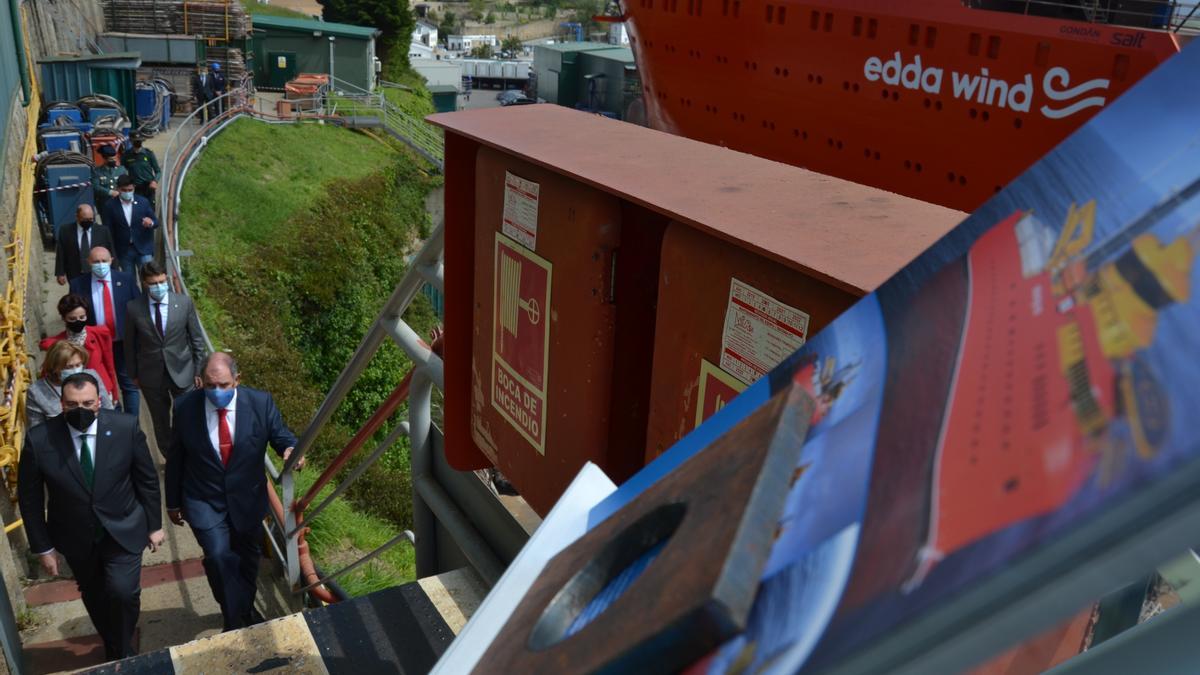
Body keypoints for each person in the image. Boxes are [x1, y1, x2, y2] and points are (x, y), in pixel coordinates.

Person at [18, 372, 164, 661]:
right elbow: (30, 499)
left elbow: (146, 479)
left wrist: (154, 525)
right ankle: (116, 645)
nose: (80, 410)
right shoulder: (39, 440)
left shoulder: (125, 427)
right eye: (73, 404)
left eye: (87, 403)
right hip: (75, 536)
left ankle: (121, 650)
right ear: (61, 404)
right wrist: (43, 547)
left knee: (123, 592)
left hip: (123, 527)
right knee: (95, 595)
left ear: (99, 402)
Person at [166, 353, 301, 631]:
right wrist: (172, 502)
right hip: (203, 498)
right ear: (200, 381)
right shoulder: (184, 408)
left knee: (247, 559)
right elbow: (176, 457)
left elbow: (281, 435)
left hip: (247, 499)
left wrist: (290, 450)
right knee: (218, 557)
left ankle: (243, 610)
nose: (217, 392)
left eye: (224, 385)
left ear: (237, 380)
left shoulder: (260, 403)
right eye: (210, 385)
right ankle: (234, 619)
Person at [125, 261, 208, 456]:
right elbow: (129, 345)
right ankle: (169, 457)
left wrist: (199, 370)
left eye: (162, 281)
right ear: (145, 284)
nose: (159, 286)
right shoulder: (133, 308)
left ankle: (190, 453)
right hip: (151, 376)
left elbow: (197, 339)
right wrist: (133, 374)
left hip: (184, 370)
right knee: (160, 420)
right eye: (153, 283)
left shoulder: (184, 303)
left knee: (188, 415)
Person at [69, 247, 141, 414]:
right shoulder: (78, 284)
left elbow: (138, 308)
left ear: (111, 260)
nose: (100, 265)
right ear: (88, 262)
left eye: (104, 261)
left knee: (129, 385)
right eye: (95, 261)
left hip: (123, 342)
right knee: (102, 385)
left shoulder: (125, 279)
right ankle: (113, 419)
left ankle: (131, 426)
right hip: (96, 345)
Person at [39, 293, 119, 403]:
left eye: (82, 317)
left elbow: (110, 365)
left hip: (102, 391)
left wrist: (115, 394)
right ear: (64, 318)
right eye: (72, 318)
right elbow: (48, 372)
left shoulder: (100, 334)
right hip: (72, 396)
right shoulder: (57, 343)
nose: (78, 321)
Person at [27, 341, 115, 428]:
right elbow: (37, 429)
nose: (75, 370)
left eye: (78, 365)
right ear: (54, 367)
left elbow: (108, 410)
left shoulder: (92, 376)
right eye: (69, 367)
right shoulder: (37, 392)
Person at [101, 174, 157, 273]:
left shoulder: (143, 202)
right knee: (129, 282)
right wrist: (111, 252)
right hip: (124, 251)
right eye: (124, 190)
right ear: (118, 189)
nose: (127, 192)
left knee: (149, 279)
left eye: (130, 190)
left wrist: (151, 223)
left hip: (143, 248)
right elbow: (108, 230)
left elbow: (156, 222)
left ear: (134, 188)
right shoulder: (110, 206)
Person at [55, 205, 115, 285]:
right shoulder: (65, 231)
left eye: (91, 219)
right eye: (85, 219)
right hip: (75, 273)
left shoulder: (103, 231)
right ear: (77, 217)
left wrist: (115, 270)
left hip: (98, 272)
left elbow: (111, 251)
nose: (88, 221)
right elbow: (61, 252)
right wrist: (60, 273)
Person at [123, 134, 160, 207]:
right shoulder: (127, 155)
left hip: (148, 187)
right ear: (131, 141)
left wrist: (155, 181)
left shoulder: (148, 154)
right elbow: (122, 170)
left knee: (150, 209)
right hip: (136, 189)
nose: (137, 143)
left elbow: (158, 171)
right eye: (135, 141)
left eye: (139, 141)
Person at [92, 146, 127, 215]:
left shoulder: (121, 170)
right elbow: (96, 186)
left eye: (114, 158)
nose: (113, 161)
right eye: (111, 159)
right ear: (104, 159)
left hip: (120, 202)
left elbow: (126, 183)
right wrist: (110, 192)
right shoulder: (97, 171)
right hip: (105, 204)